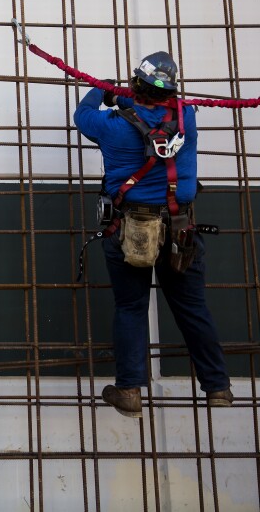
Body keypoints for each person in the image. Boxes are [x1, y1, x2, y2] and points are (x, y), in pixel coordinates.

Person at [73, 51, 231, 418]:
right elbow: (159, 105)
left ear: (134, 85)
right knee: (192, 308)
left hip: (131, 228)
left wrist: (105, 90)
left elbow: (83, 115)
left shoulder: (110, 126)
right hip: (181, 229)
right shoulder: (186, 118)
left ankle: (129, 389)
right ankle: (218, 386)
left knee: (131, 307)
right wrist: (131, 94)